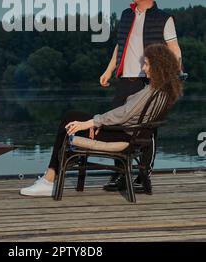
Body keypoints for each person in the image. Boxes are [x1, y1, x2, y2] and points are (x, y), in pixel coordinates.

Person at [20, 44, 183, 197]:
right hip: (126, 131)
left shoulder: (151, 91)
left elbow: (125, 114)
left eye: (146, 64)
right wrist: (99, 122)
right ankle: (57, 171)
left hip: (123, 135)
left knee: (71, 118)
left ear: (158, 66)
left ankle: (49, 179)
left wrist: (92, 122)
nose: (143, 68)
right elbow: (126, 115)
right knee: (74, 118)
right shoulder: (161, 90)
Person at [100, 0, 183, 192]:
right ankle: (120, 174)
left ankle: (143, 176)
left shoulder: (165, 19)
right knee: (118, 126)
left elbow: (174, 50)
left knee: (146, 131)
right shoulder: (127, 15)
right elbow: (120, 46)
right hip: (125, 78)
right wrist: (109, 70)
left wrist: (175, 74)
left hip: (150, 80)